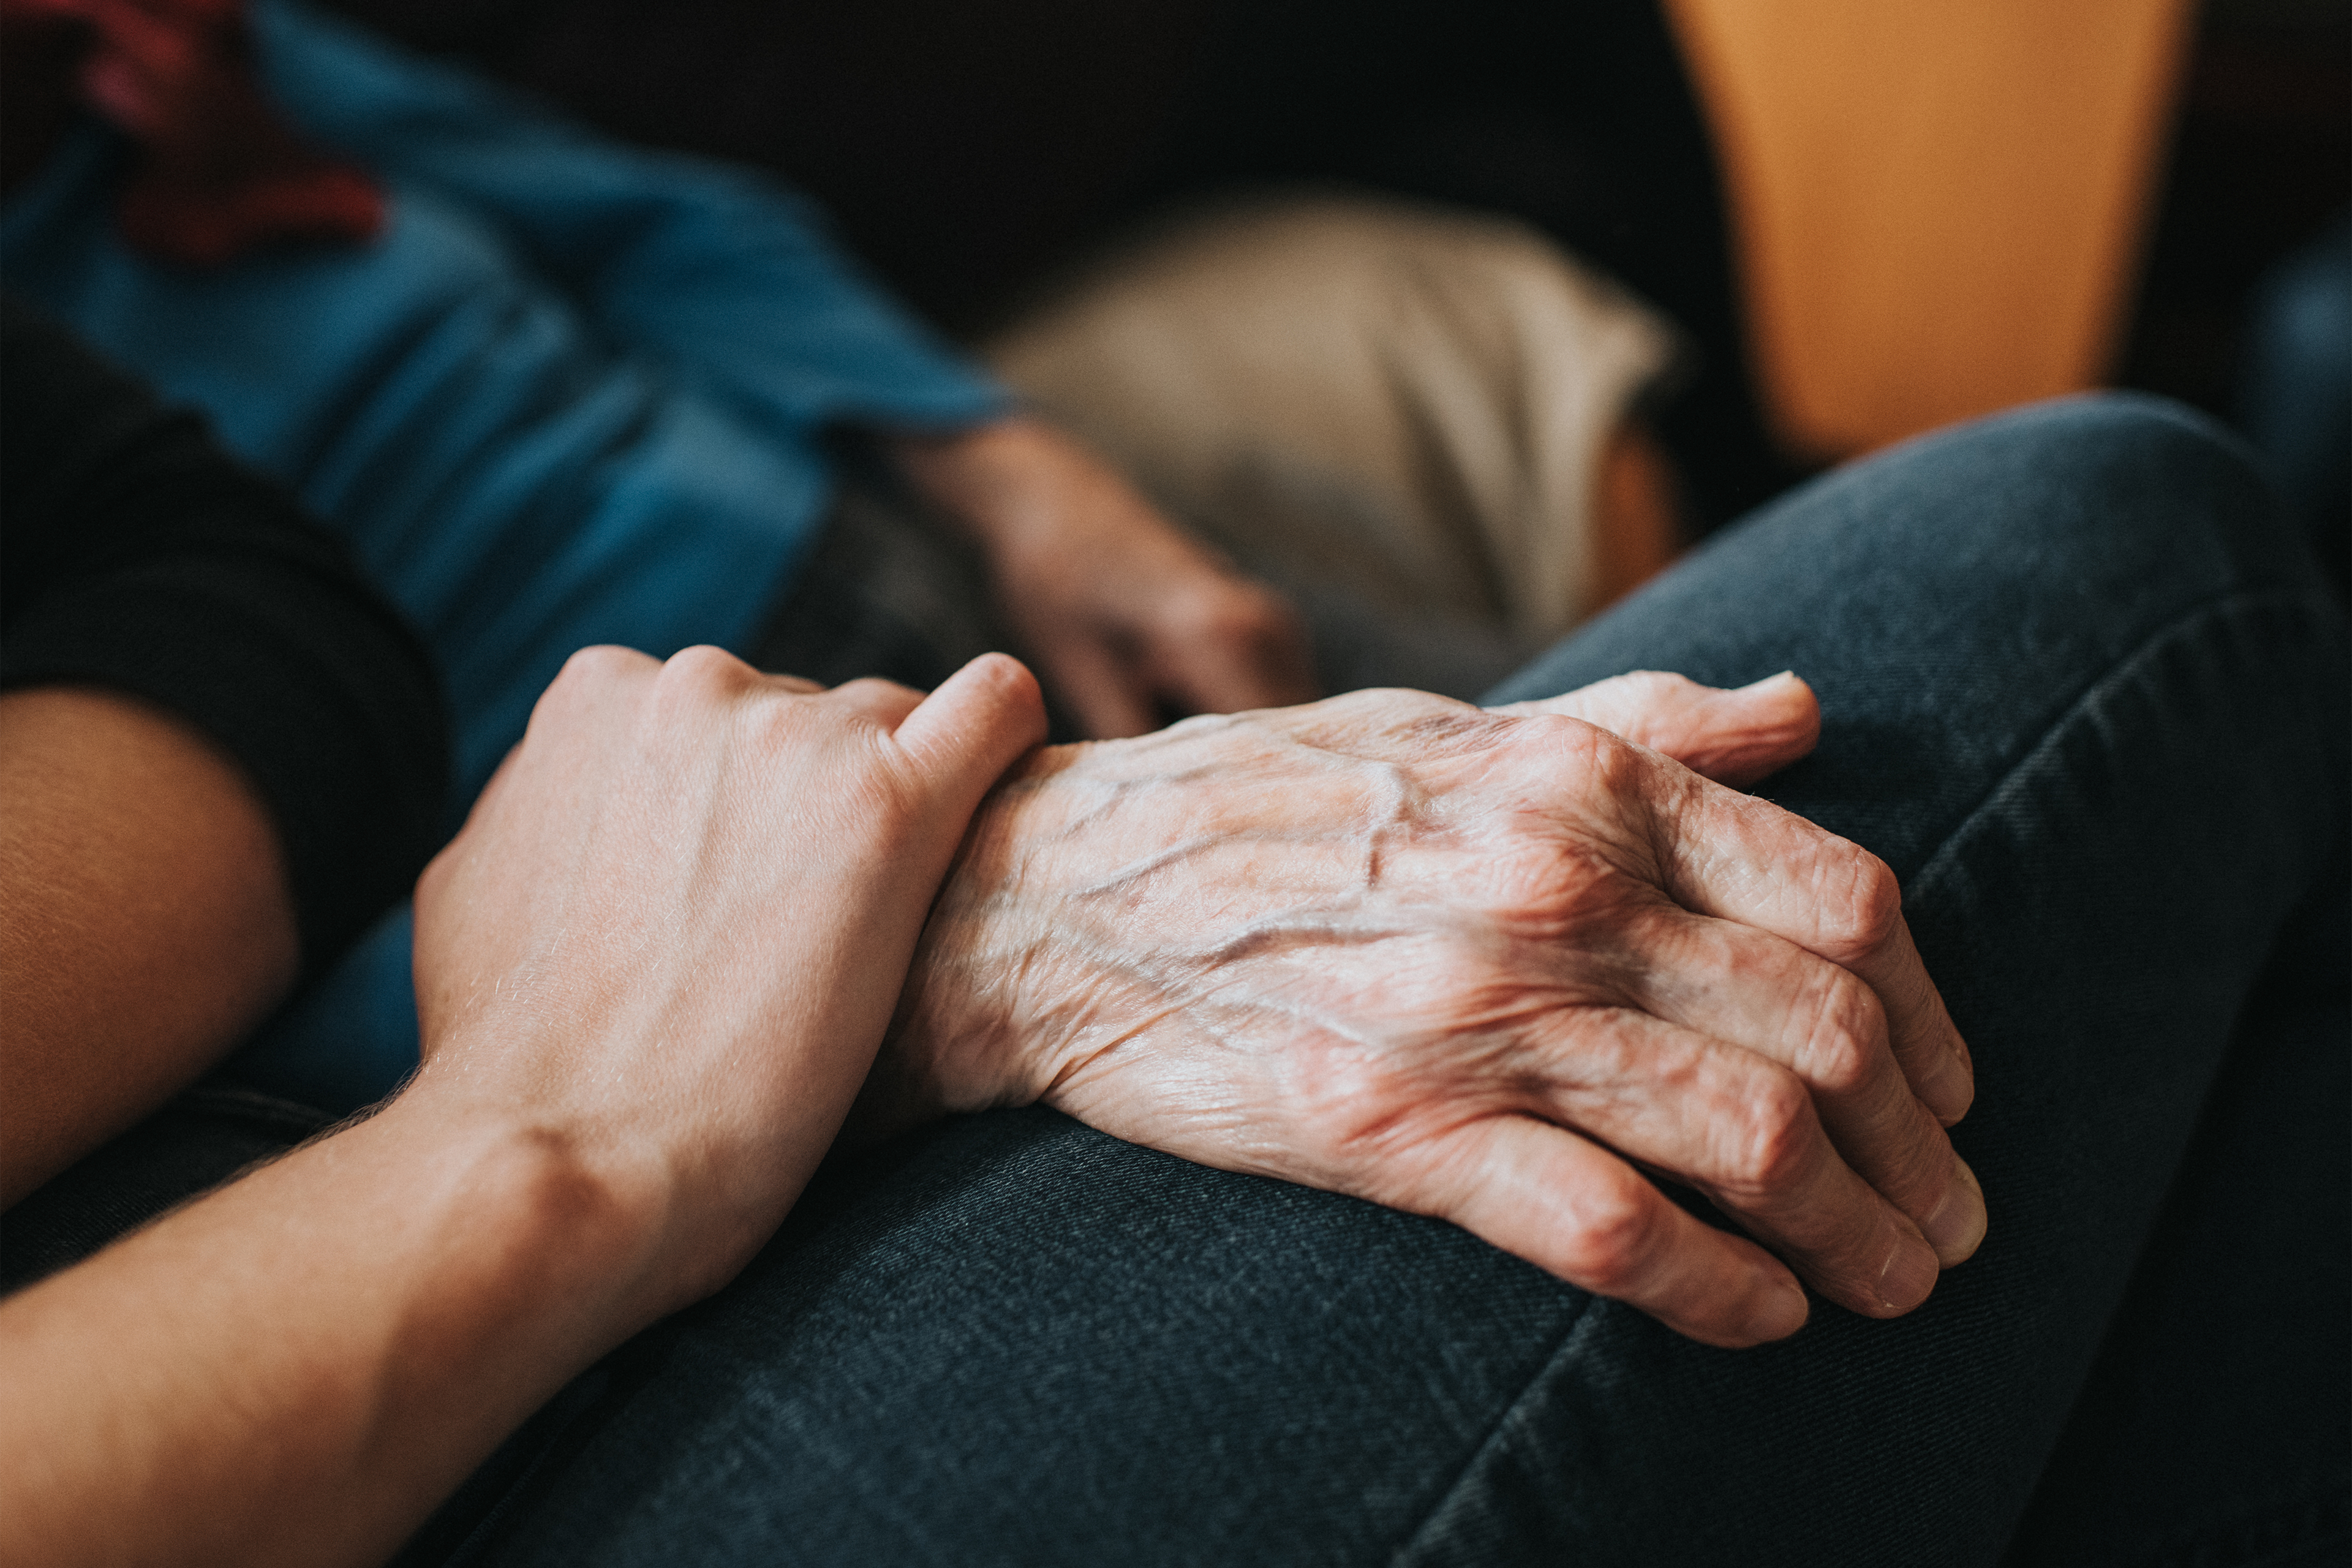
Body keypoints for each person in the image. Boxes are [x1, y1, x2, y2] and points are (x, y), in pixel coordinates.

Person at [4, 290, 2344, 1561]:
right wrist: (550, 1115)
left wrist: (1014, 508)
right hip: (403, 1315)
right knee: (2110, 542)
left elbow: (220, 598)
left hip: (680, 928)